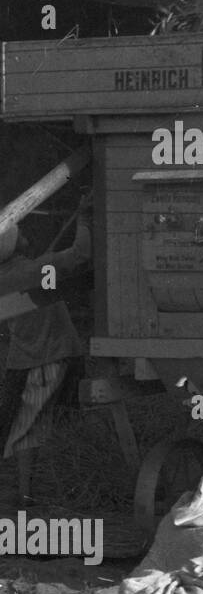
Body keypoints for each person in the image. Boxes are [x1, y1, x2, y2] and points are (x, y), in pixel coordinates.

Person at [0, 209, 91, 506]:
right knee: (29, 427)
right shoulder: (28, 272)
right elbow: (81, 253)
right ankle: (28, 494)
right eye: (19, 232)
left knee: (23, 424)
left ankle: (28, 489)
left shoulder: (19, 272)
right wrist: (84, 219)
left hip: (26, 357)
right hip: (45, 357)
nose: (25, 233)